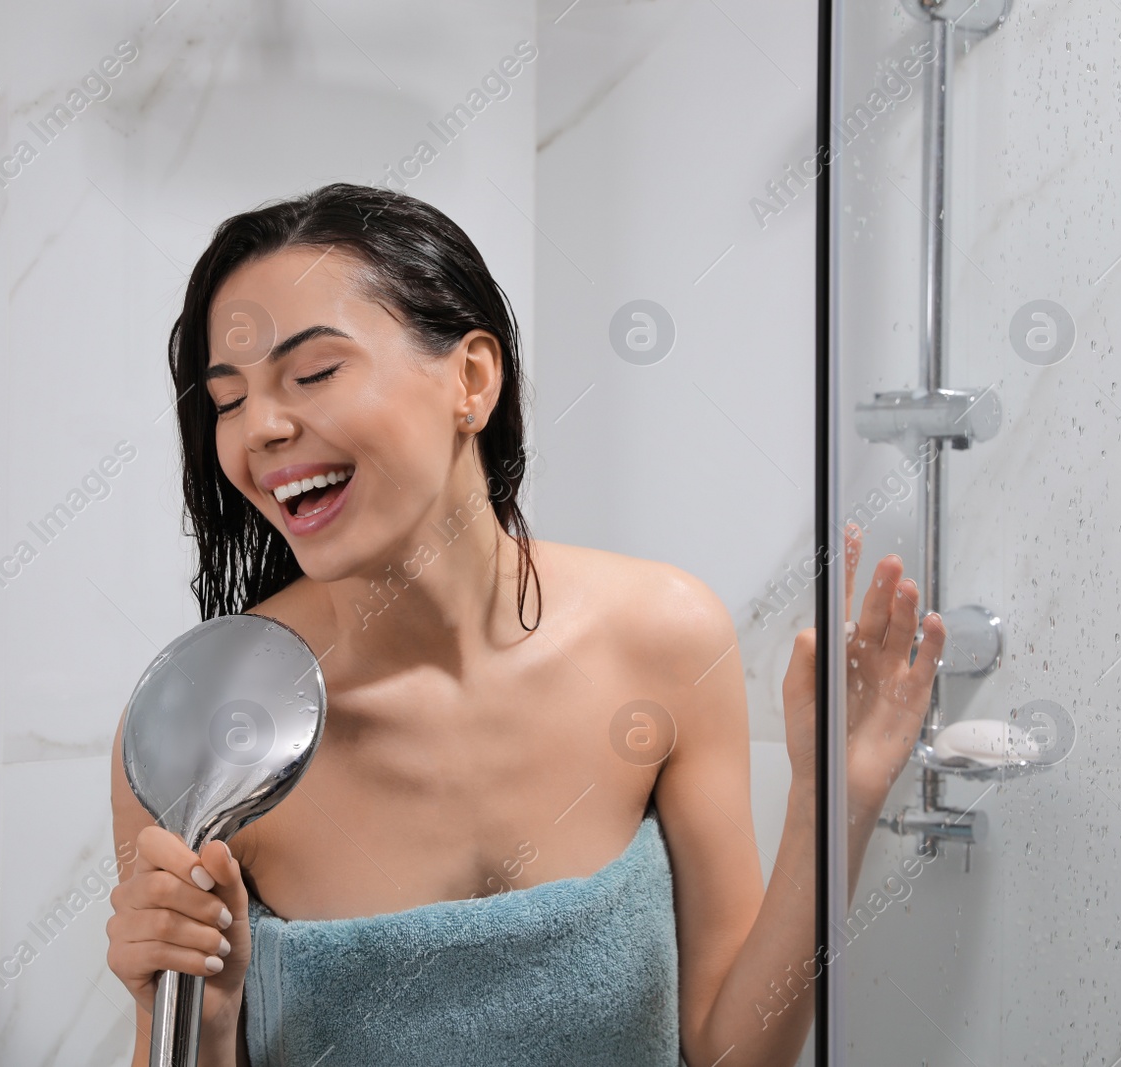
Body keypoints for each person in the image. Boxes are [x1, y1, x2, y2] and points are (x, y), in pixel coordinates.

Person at [105, 182, 944, 1067]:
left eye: (313, 374)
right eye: (228, 400)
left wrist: (833, 806)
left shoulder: (664, 639)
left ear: (470, 378)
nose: (262, 428)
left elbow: (732, 1052)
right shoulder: (207, 736)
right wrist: (201, 1021)